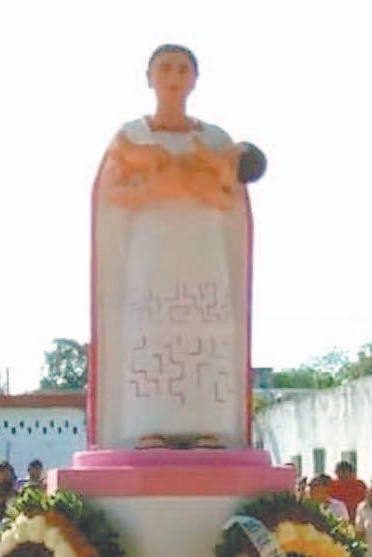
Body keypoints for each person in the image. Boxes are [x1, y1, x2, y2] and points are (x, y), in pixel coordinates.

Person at [91, 43, 259, 450]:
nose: (173, 77)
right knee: (150, 331)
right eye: (165, 68)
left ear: (195, 79)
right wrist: (158, 187)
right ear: (149, 77)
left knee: (206, 333)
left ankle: (209, 424)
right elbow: (114, 195)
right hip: (152, 245)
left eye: (183, 69)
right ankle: (150, 424)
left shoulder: (215, 139)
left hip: (203, 245)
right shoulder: (131, 136)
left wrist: (189, 182)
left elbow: (229, 197)